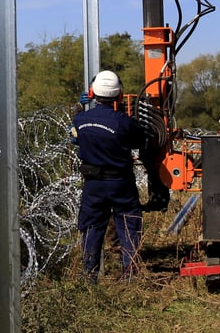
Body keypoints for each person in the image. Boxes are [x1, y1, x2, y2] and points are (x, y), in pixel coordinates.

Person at [72, 70, 148, 281]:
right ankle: (130, 274)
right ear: (120, 95)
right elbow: (139, 140)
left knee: (92, 226)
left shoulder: (81, 120)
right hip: (120, 182)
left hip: (93, 183)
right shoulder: (123, 122)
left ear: (92, 92)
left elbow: (76, 138)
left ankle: (89, 274)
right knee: (128, 224)